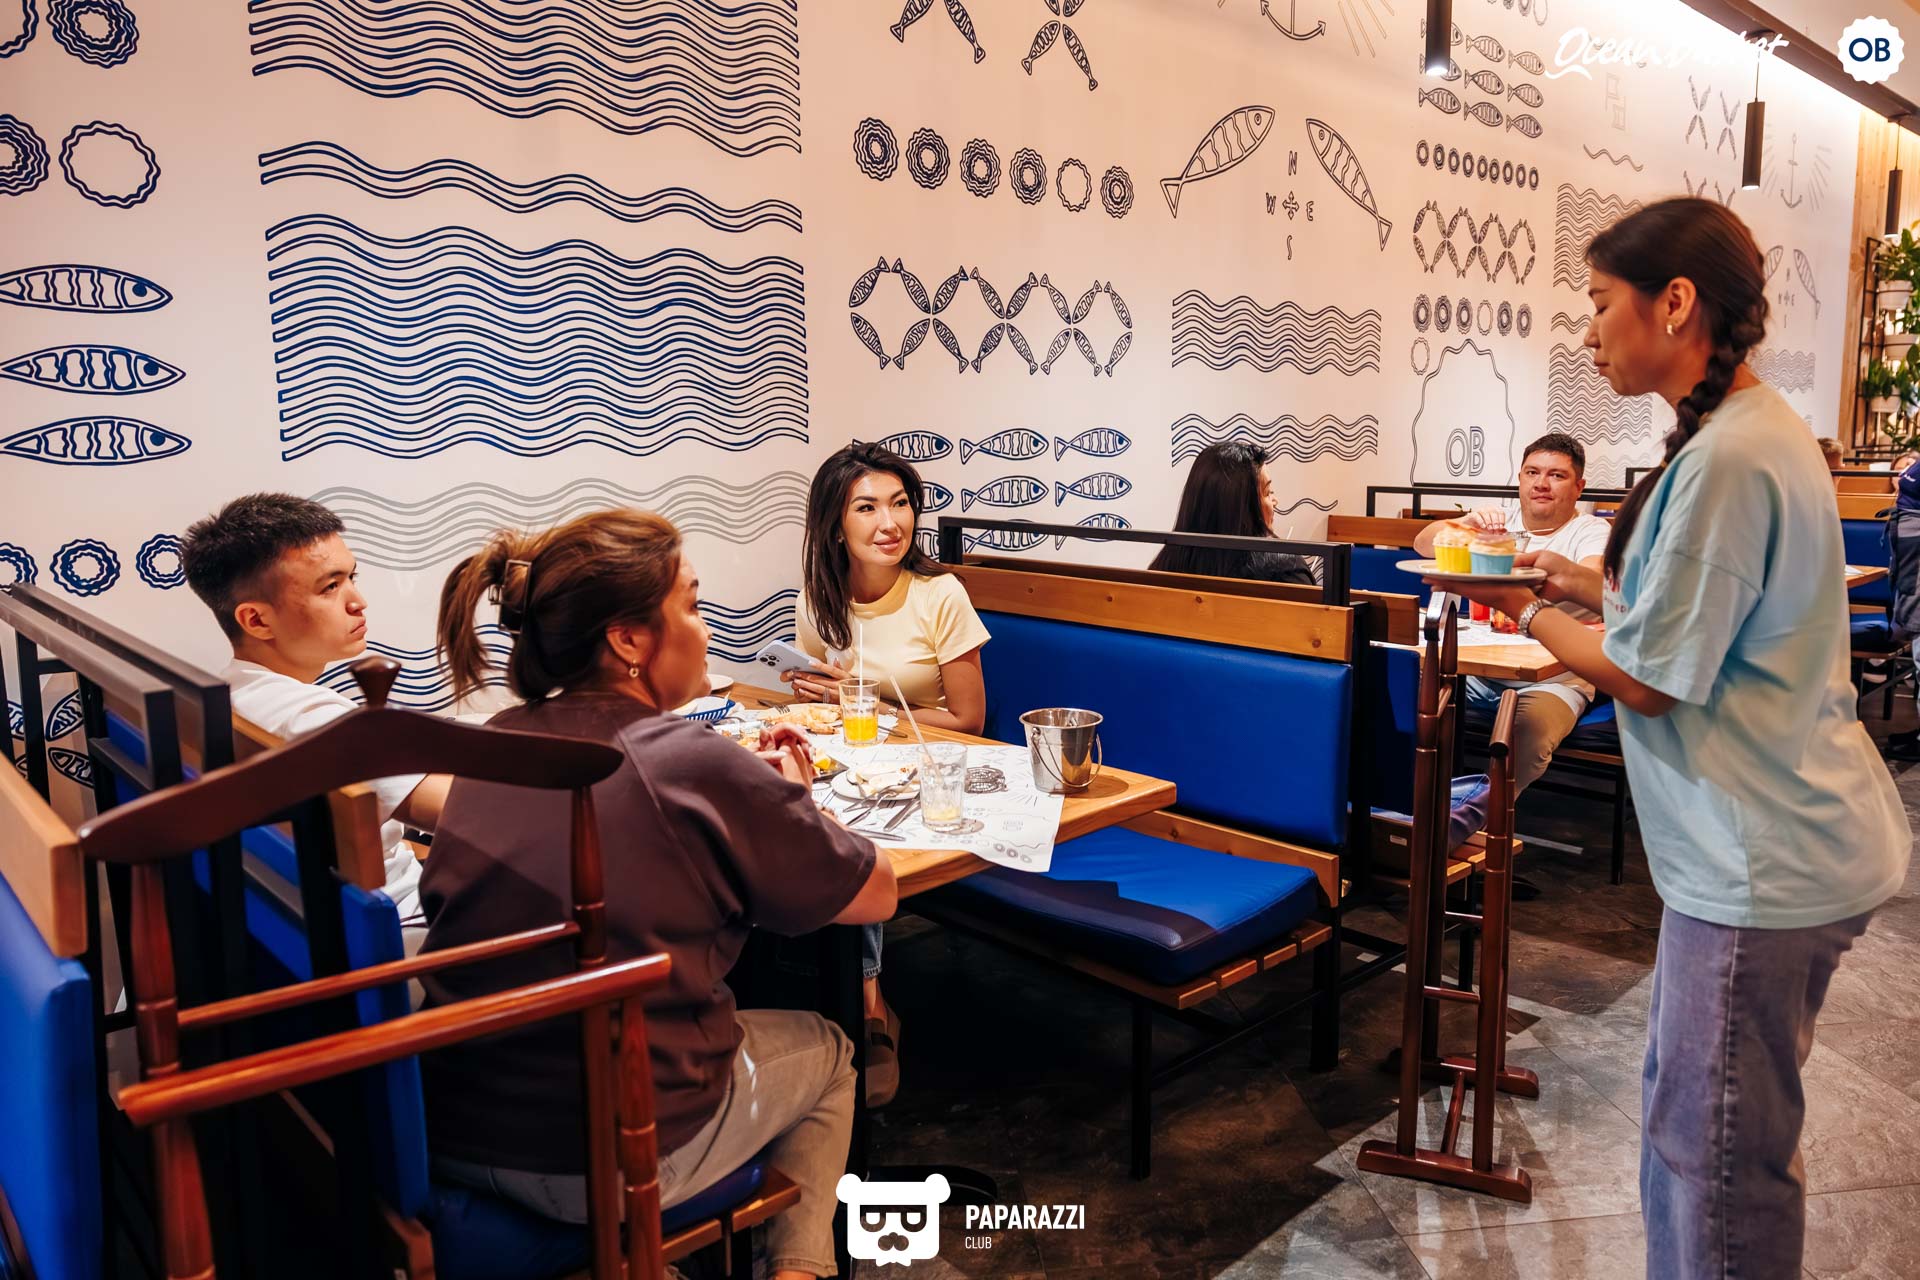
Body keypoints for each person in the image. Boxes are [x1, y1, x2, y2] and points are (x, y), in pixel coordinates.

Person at [1437, 198, 1910, 1279]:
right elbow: (1701, 609)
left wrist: (1524, 606)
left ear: (1676, 303)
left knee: (1717, 1156)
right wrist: (1580, 579)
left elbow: (1649, 679)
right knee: (1693, 1126)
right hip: (1767, 843)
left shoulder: (1729, 457)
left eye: (1601, 302)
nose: (1589, 330)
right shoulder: (1750, 431)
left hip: (1760, 857)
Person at [425, 510, 896, 1280]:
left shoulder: (496, 739)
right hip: (604, 1155)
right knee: (830, 1049)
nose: (706, 630)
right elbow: (875, 894)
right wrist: (796, 808)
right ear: (629, 641)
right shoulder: (687, 758)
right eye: (693, 605)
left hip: (458, 1129)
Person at [785, 442, 991, 1107]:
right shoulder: (818, 599)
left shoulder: (940, 594)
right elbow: (827, 716)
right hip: (855, 770)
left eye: (900, 504)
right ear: (834, 525)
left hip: (935, 776)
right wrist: (819, 701)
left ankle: (870, 1007)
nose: (889, 523)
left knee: (847, 837)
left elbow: (970, 720)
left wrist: (869, 703)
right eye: (867, 508)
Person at [179, 494, 447, 943]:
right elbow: (461, 811)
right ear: (256, 620)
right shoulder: (309, 719)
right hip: (411, 929)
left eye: (351, 578)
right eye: (330, 587)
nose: (358, 601)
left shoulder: (236, 694)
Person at [1411, 433, 1611, 793]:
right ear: (1520, 478)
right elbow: (1422, 543)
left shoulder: (1591, 530)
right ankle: (1419, 805)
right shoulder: (1500, 523)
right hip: (1480, 673)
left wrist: (1536, 575)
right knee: (1406, 695)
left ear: (1578, 487)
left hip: (1554, 680)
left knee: (1528, 734)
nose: (1541, 483)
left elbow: (1592, 572)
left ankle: (1481, 813)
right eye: (1532, 472)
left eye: (1556, 475)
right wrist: (1466, 523)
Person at [1148, 441, 1318, 585]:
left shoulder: (1162, 568)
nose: (1275, 501)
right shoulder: (1286, 572)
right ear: (1243, 508)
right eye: (1267, 492)